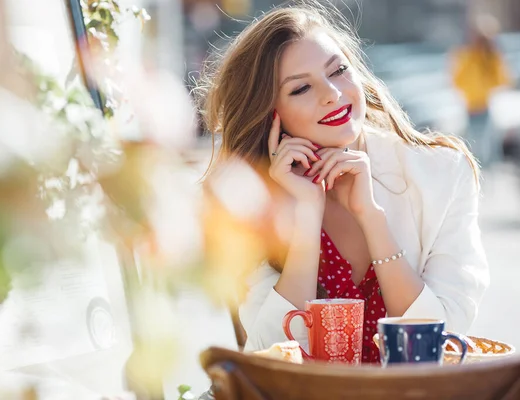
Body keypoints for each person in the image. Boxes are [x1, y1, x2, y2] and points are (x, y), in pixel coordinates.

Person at [197, 2, 489, 363]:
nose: (332, 93)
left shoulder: (442, 173)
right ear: (270, 116)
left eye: (338, 71)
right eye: (301, 88)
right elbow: (268, 356)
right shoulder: (253, 201)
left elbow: (443, 339)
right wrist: (306, 218)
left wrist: (371, 217)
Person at [451, 14, 513, 168]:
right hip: (471, 105)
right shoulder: (467, 55)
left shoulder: (490, 58)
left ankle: (486, 170)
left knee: (486, 144)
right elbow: (457, 79)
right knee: (473, 142)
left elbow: (503, 79)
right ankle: (477, 169)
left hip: (484, 104)